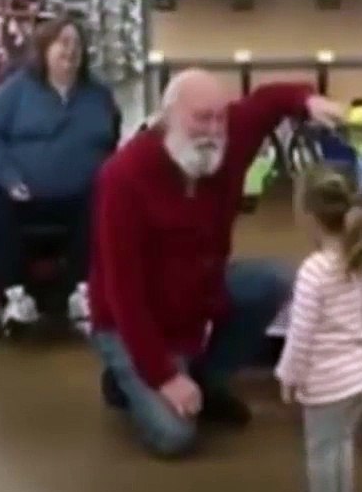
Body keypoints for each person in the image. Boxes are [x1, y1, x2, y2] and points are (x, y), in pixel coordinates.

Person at [87, 69, 344, 458]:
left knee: (274, 280)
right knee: (176, 437)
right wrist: (165, 376)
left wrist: (307, 101)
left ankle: (206, 380)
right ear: (168, 116)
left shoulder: (228, 137)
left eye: (219, 117)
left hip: (195, 293)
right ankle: (127, 379)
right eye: (200, 118)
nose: (213, 129)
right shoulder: (123, 178)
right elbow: (123, 294)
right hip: (133, 320)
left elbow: (267, 101)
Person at [0, 17, 118, 328]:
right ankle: (14, 293)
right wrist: (9, 178)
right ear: (44, 49)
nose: (71, 50)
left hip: (81, 196)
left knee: (111, 190)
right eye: (63, 43)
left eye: (77, 44)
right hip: (22, 194)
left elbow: (111, 141)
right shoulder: (15, 92)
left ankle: (82, 289)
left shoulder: (98, 95)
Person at [273, 166, 362, 492]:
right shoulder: (357, 259)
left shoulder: (314, 270)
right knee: (341, 442)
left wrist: (288, 377)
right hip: (359, 379)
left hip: (327, 383)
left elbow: (301, 334)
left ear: (308, 217)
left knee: (321, 448)